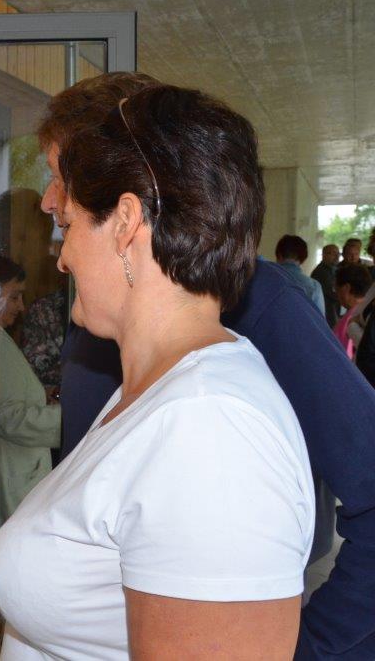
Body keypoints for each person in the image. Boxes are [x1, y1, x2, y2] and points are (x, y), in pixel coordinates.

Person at [34, 71, 375, 660]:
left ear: (127, 199)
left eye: (61, 174)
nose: (47, 198)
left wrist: (311, 648)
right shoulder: (103, 312)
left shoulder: (258, 304)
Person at [0, 255, 60, 661]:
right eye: (15, 296)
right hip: (4, 485)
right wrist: (72, 417)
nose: (22, 307)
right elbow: (7, 418)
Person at [276, 234, 325, 315]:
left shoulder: (264, 280)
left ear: (279, 255)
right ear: (303, 258)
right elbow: (320, 319)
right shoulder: (314, 286)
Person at [331, 264, 372, 358]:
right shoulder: (367, 312)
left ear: (346, 288)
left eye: (336, 289)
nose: (336, 294)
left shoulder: (350, 319)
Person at [310, 243, 341, 326]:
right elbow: (332, 293)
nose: (337, 256)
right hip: (327, 312)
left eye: (338, 253)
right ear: (324, 255)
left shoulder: (335, 269)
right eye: (333, 253)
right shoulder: (321, 272)